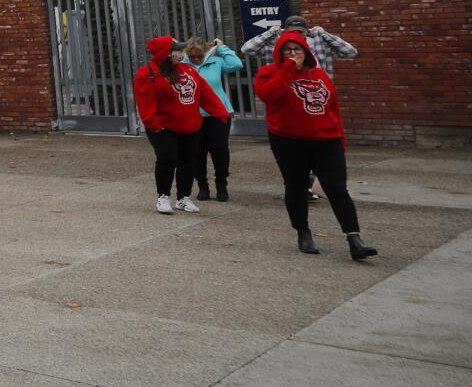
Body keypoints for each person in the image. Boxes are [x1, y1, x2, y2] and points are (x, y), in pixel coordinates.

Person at [256, 31, 378, 260]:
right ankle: (303, 231)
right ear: (280, 53)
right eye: (287, 50)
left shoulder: (319, 75)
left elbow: (333, 107)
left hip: (326, 140)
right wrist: (287, 69)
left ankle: (354, 238)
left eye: (297, 50)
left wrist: (340, 137)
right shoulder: (269, 73)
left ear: (306, 51)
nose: (293, 54)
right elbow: (269, 95)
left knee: (338, 189)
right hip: (289, 142)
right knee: (296, 187)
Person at [133, 35, 228, 214]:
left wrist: (220, 112)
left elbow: (205, 93)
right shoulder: (148, 73)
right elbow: (145, 102)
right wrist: (154, 124)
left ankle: (183, 198)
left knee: (188, 162)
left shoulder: (188, 70)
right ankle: (163, 196)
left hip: (190, 126)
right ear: (167, 54)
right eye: (176, 50)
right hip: (163, 127)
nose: (181, 53)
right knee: (167, 159)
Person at [183, 38, 244, 201]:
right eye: (192, 57)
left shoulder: (216, 62)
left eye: (199, 56)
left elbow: (236, 64)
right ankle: (203, 186)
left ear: (205, 53)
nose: (195, 59)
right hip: (194, 114)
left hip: (218, 113)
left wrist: (222, 48)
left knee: (219, 149)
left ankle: (221, 185)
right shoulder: (183, 66)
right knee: (197, 152)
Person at [243, 13, 357, 74]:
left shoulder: (319, 44)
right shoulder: (276, 46)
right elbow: (247, 49)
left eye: (300, 32)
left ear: (307, 32)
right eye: (292, 31)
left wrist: (324, 34)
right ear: (285, 32)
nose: (296, 34)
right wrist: (269, 32)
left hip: (316, 88)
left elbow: (350, 52)